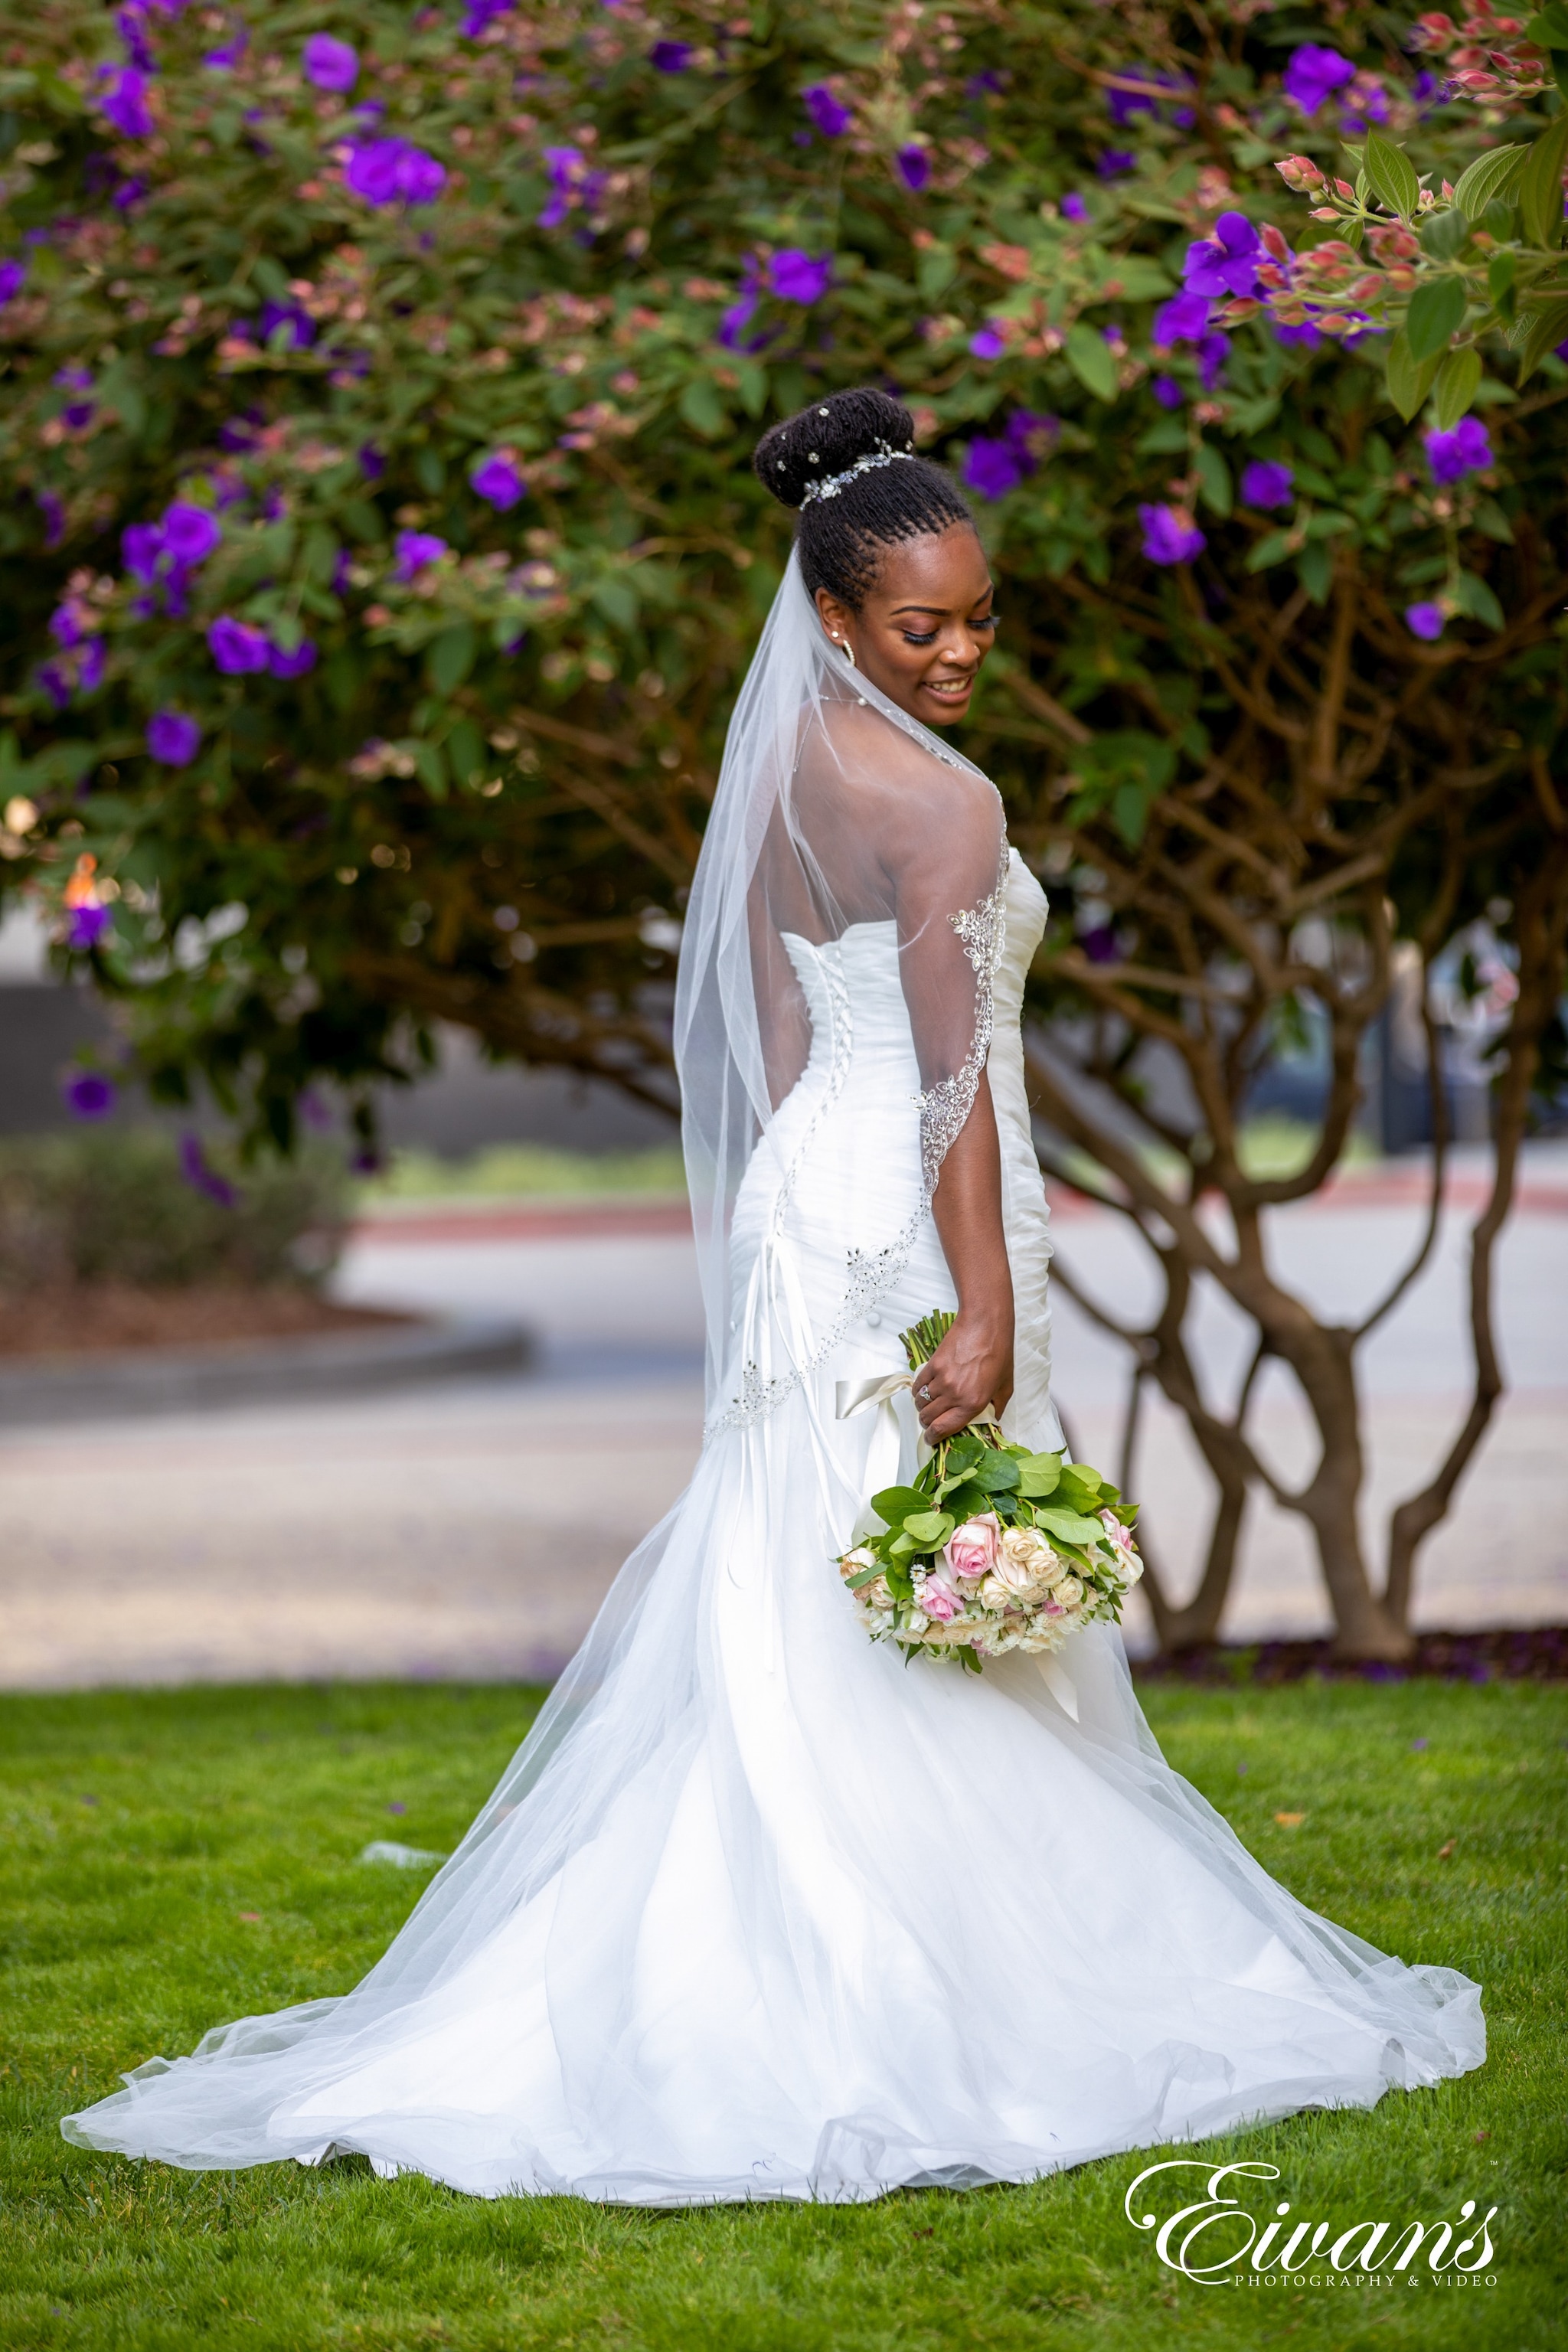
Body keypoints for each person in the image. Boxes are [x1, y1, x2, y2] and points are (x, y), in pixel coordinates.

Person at [64, 388, 1484, 2203]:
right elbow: (959, 1090)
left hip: (811, 1199)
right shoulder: (945, 805)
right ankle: (925, 1975)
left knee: (800, 1564)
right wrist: (976, 1301)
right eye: (925, 627)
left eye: (980, 620)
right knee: (918, 1559)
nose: (962, 652)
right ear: (833, 614)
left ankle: (755, 1935)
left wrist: (812, 1224)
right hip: (914, 1207)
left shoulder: (781, 771)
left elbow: (785, 1024)